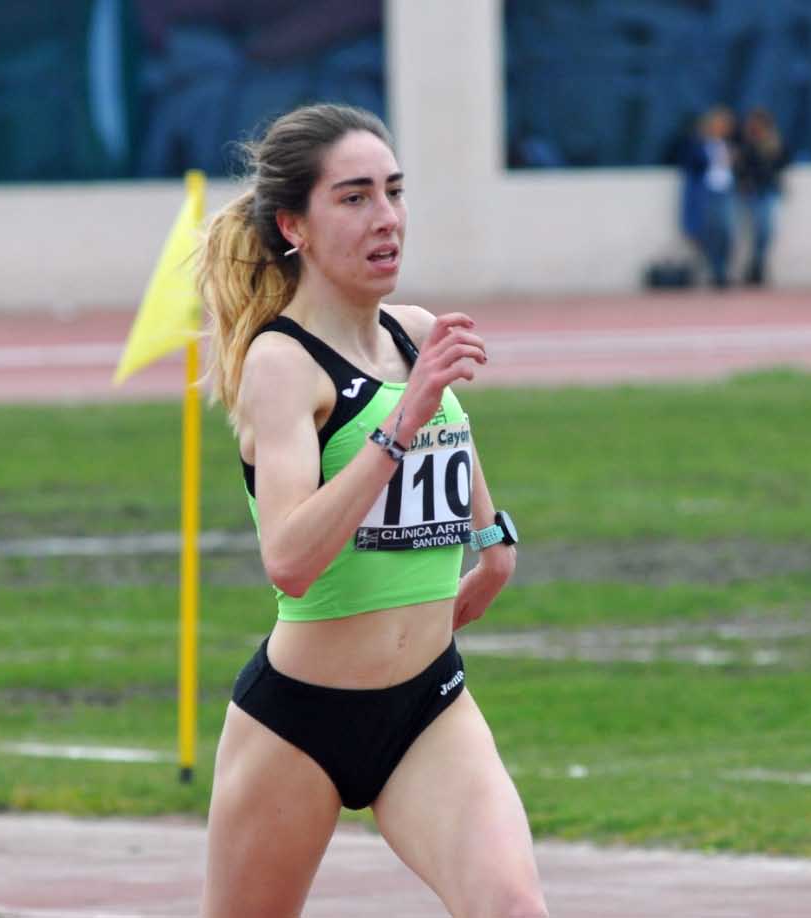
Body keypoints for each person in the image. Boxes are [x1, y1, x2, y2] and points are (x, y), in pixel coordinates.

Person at [196, 102, 548, 918]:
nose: (386, 217)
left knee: (514, 909)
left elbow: (449, 441)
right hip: (300, 722)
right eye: (354, 198)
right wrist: (399, 423)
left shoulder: (415, 333)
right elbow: (290, 559)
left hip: (428, 705)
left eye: (393, 191)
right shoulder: (282, 364)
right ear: (295, 226)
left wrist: (494, 544)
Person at [679, 105, 737, 288]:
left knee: (726, 231)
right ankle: (716, 271)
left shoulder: (730, 145)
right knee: (711, 232)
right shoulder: (700, 145)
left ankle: (723, 269)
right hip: (708, 192)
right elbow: (691, 165)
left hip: (726, 192)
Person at [735, 107, 791, 286]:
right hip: (754, 190)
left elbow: (783, 162)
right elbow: (741, 168)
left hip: (768, 189)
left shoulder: (773, 142)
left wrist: (773, 149)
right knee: (759, 228)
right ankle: (755, 266)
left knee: (766, 230)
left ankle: (757, 264)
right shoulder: (745, 144)